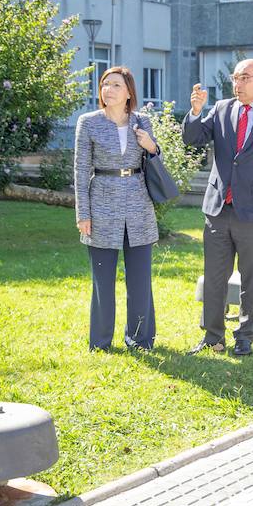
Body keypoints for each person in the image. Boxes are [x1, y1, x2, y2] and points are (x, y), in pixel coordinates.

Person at [182, 60, 253, 357]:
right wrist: (195, 112)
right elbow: (192, 140)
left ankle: (245, 335)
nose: (238, 84)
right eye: (235, 77)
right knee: (214, 276)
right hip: (219, 208)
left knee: (251, 278)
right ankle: (213, 337)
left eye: (244, 77)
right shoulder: (221, 109)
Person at [74, 66, 161, 351]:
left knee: (140, 280)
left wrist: (152, 146)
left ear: (128, 93)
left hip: (138, 208)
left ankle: (140, 338)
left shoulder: (142, 121)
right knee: (103, 280)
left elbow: (156, 161)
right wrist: (82, 214)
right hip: (101, 206)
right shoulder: (88, 122)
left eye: (115, 85)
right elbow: (80, 171)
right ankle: (100, 342)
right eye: (104, 84)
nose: (107, 90)